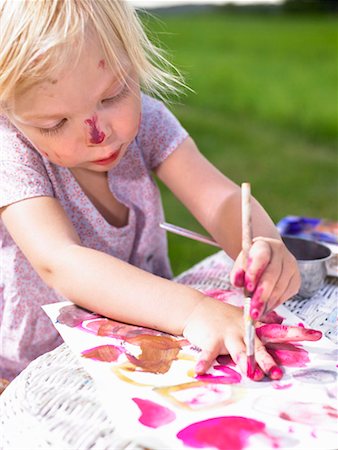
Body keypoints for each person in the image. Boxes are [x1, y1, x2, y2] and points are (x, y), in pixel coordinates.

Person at [0, 0, 304, 384]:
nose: (98, 134)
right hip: (38, 372)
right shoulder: (9, 151)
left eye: (112, 96)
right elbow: (60, 261)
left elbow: (220, 198)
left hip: (152, 349)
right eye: (55, 122)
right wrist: (193, 311)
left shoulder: (150, 122)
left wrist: (262, 244)